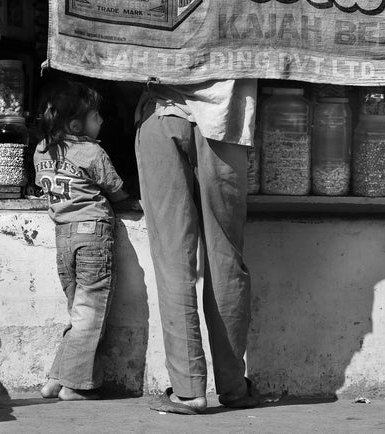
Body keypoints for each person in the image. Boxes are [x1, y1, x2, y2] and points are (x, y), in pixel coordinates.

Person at [135, 79, 260, 414]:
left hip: (163, 115)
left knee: (173, 259)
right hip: (225, 123)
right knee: (225, 259)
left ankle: (189, 390)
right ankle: (234, 387)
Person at [34, 80, 129, 401]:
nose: (101, 120)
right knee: (89, 315)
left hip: (63, 239)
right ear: (76, 125)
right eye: (95, 115)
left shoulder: (41, 150)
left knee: (79, 313)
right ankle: (74, 386)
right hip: (92, 238)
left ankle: (56, 379)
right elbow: (116, 192)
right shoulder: (91, 151)